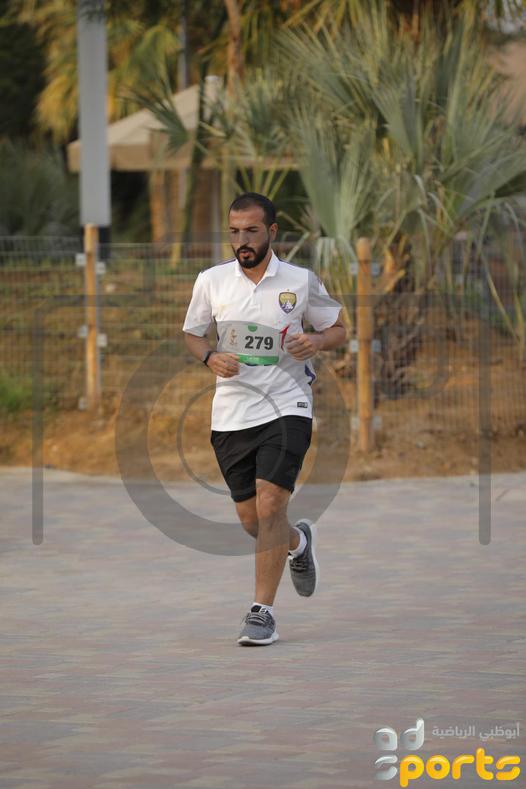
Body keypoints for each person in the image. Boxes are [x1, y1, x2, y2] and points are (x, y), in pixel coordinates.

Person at [182, 192, 346, 646]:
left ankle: (262, 613)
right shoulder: (212, 281)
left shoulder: (300, 281)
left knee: (272, 504)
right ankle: (298, 543)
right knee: (253, 522)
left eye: (251, 231)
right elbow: (192, 334)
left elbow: (337, 328)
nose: (242, 240)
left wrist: (316, 341)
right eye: (234, 232)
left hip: (288, 405)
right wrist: (210, 357)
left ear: (271, 232)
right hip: (232, 414)